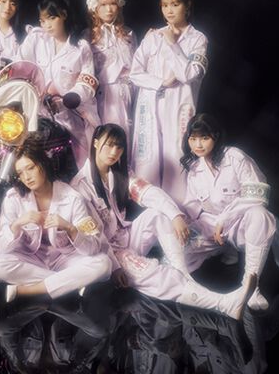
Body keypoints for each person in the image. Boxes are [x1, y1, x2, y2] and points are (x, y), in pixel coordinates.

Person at [71, 123, 254, 320]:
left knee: (157, 214)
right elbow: (94, 238)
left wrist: (175, 216)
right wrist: (115, 267)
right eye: (109, 145)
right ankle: (223, 304)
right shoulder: (80, 187)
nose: (114, 152)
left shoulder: (119, 173)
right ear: (96, 143)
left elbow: (149, 193)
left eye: (119, 147)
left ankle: (183, 273)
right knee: (151, 273)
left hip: (125, 237)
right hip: (108, 253)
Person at [180, 113, 279, 311]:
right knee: (179, 255)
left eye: (204, 138)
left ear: (215, 137)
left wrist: (226, 218)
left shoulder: (234, 157)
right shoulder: (194, 169)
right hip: (213, 226)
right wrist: (182, 226)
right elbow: (192, 207)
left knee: (260, 215)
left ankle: (251, 288)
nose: (198, 144)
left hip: (242, 222)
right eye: (193, 138)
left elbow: (258, 193)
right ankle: (226, 249)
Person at [0, 145, 111, 302]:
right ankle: (71, 285)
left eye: (30, 168)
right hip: (30, 260)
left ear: (43, 164)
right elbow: (0, 248)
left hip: (66, 259)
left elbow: (92, 248)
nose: (26, 177)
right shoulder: (14, 198)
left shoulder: (73, 198)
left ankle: (27, 291)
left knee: (103, 263)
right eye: (20, 173)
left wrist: (70, 228)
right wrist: (17, 224)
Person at [130, 0, 208, 204]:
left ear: (187, 6)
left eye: (175, 4)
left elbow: (189, 73)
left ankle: (179, 211)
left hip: (179, 106)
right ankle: (150, 208)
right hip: (151, 104)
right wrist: (160, 82)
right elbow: (135, 73)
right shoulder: (153, 36)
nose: (169, 10)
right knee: (149, 157)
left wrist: (173, 44)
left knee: (177, 155)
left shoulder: (198, 39)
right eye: (165, 5)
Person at [16, 0, 100, 167]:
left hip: (71, 114)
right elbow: (20, 65)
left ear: (64, 15)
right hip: (40, 113)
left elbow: (88, 79)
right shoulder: (37, 39)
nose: (47, 25)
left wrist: (72, 96)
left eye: (51, 18)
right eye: (42, 21)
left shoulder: (80, 47)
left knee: (80, 162)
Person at [84, 0, 137, 149]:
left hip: (128, 91)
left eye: (113, 4)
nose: (109, 9)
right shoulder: (88, 36)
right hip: (104, 94)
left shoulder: (129, 34)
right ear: (95, 8)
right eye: (103, 5)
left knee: (129, 136)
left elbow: (137, 65)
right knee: (109, 137)